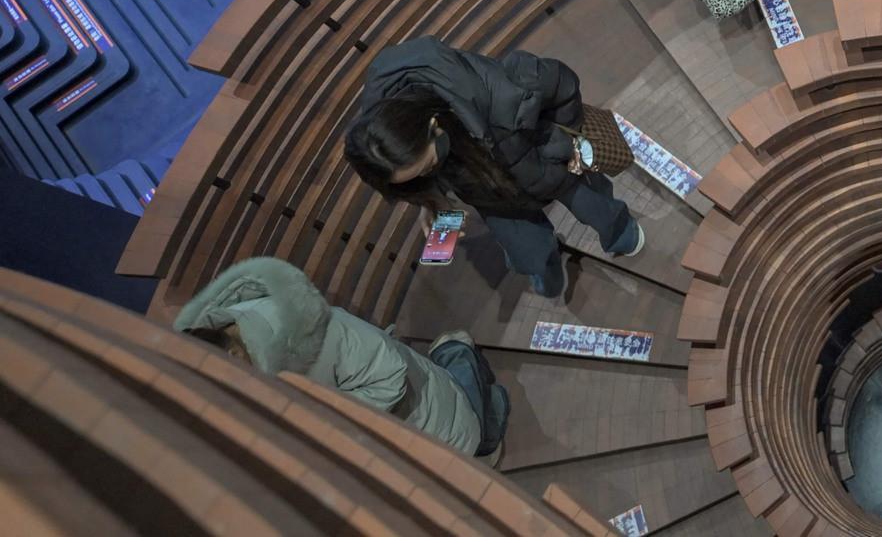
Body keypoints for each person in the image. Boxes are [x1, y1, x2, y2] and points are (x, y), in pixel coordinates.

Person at [343, 36, 646, 299]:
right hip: (491, 194)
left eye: (429, 166)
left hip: (548, 163)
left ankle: (620, 231)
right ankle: (542, 264)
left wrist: (568, 137)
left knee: (596, 205)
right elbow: (417, 172)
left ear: (434, 126)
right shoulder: (386, 140)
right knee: (525, 248)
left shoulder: (499, 90)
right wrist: (429, 200)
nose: (428, 174)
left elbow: (562, 85)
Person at [174, 257, 506, 462]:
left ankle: (458, 356)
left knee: (483, 433)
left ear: (233, 353)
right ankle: (454, 357)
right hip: (405, 402)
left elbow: (389, 373)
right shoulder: (231, 325)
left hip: (428, 412)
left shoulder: (305, 334)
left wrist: (330, 417)